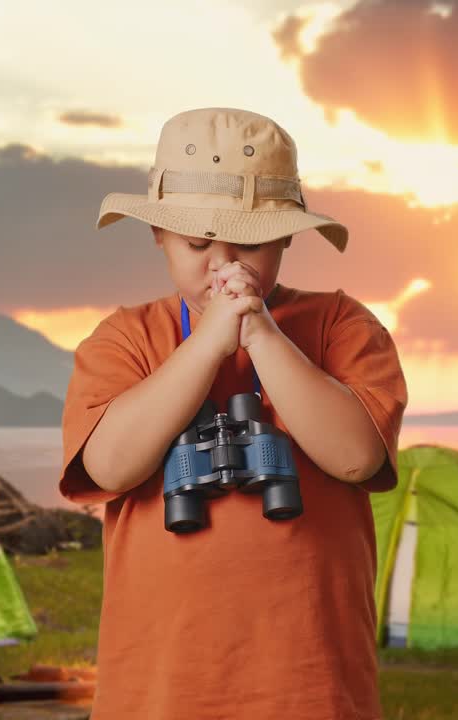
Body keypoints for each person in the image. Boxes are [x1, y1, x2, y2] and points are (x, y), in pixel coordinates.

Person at [58, 107, 408, 719]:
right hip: (160, 686)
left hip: (310, 681)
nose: (224, 266)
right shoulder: (125, 340)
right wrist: (208, 343)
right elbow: (110, 468)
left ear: (285, 240)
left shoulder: (340, 326)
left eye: (248, 244)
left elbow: (356, 459)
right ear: (159, 237)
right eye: (197, 243)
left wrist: (262, 335)